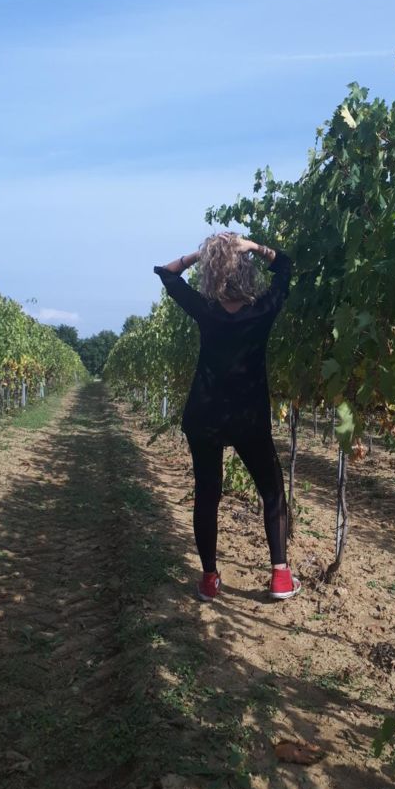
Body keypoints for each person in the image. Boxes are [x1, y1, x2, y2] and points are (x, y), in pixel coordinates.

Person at [153, 232, 301, 602]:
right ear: (247, 272)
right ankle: (280, 577)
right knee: (272, 492)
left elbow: (167, 274)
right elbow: (285, 266)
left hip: (204, 415)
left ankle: (209, 580)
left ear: (212, 272)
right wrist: (253, 247)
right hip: (248, 417)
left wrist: (200, 254)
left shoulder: (206, 309)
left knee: (207, 495)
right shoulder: (263, 310)